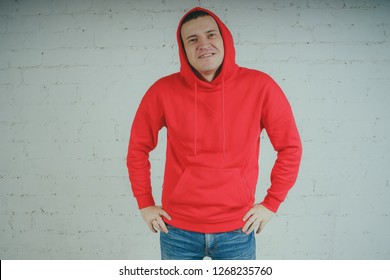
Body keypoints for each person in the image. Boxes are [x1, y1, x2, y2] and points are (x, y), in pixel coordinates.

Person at [126, 7, 302, 260]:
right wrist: (145, 203)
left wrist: (271, 203)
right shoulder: (163, 91)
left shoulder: (261, 86)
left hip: (237, 229)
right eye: (193, 39)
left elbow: (290, 147)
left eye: (211, 35)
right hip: (177, 230)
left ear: (224, 40)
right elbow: (138, 147)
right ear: (183, 48)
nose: (204, 45)